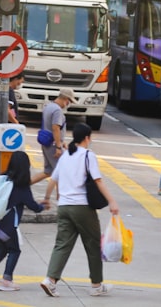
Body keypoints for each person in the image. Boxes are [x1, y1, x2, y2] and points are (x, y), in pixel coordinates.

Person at [40, 123, 120, 298]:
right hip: (82, 207)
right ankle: (96, 285)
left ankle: (50, 280)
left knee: (62, 244)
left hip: (64, 207)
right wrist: (112, 201)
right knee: (92, 245)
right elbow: (98, 181)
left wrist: (47, 198)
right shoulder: (88, 155)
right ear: (87, 138)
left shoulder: (65, 156)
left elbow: (53, 180)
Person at [0, 151, 45, 291]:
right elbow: (33, 206)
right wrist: (42, 206)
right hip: (6, 226)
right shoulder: (22, 187)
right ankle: (6, 280)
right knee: (14, 250)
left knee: (1, 249)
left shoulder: (2, 179)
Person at [40, 88, 75, 178]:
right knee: (60, 173)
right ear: (65, 99)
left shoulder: (48, 106)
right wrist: (58, 146)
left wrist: (61, 142)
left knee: (48, 172)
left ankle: (23, 185)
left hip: (46, 142)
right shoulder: (57, 111)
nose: (68, 104)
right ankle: (60, 193)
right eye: (69, 101)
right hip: (53, 145)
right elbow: (55, 128)